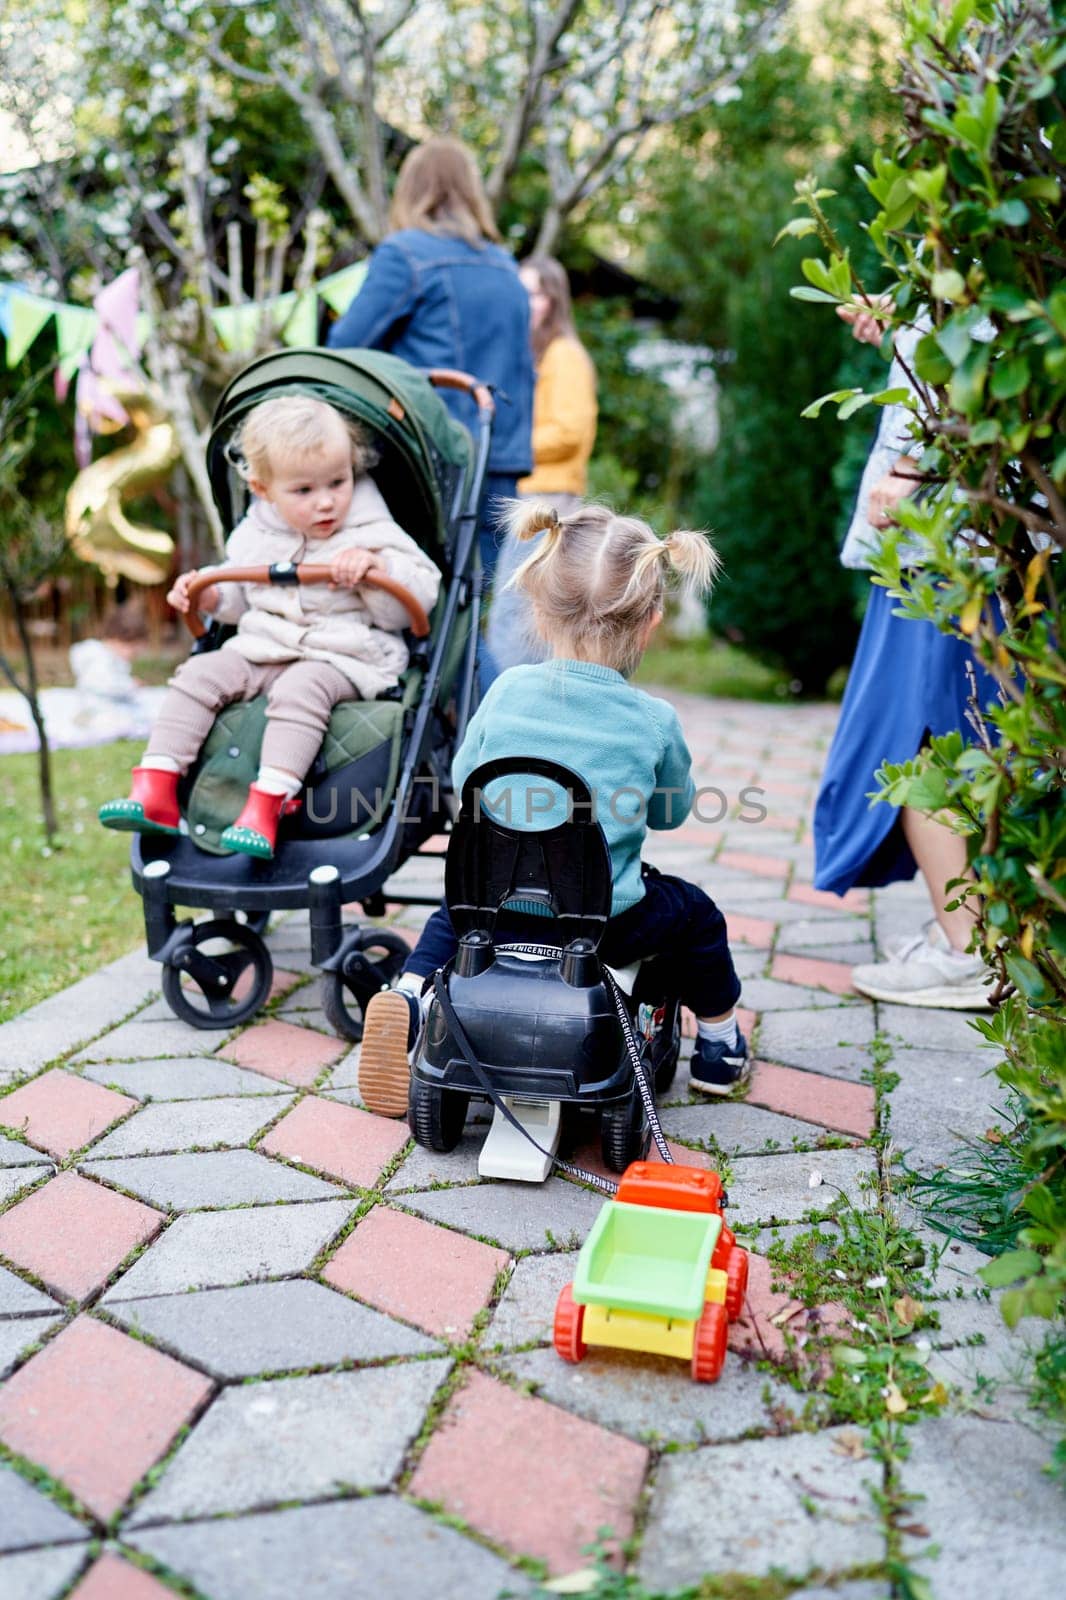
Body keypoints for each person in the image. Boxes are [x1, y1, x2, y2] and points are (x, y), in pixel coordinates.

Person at [356, 498, 748, 1119]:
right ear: (651, 621)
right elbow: (671, 813)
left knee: (449, 916)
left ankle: (408, 997)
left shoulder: (507, 689)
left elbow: (468, 781)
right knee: (696, 918)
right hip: (601, 927)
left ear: (537, 608)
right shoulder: (653, 720)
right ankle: (721, 1047)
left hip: (494, 916)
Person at [98, 396, 441, 858]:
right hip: (264, 647)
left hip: (343, 655)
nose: (326, 501)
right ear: (263, 489)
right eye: (303, 491)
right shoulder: (256, 533)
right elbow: (239, 598)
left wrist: (374, 570)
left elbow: (412, 604)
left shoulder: (371, 529)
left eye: (338, 483)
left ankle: (268, 804)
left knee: (301, 688)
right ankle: (157, 784)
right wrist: (209, 595)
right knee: (200, 674)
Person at [813, 304, 998, 1009]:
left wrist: (916, 466)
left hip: (943, 543)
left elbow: (974, 340)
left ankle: (967, 953)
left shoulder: (972, 217)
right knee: (975, 732)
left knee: (929, 745)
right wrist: (904, 311)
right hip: (975, 539)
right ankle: (982, 930)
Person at [326, 136, 533, 585]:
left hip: (431, 460)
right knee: (466, 607)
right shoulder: (506, 267)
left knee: (422, 606)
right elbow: (522, 371)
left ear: (411, 190)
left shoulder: (404, 256)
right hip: (501, 464)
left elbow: (342, 351)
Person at [487, 255, 598, 670]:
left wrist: (508, 448)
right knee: (518, 611)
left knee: (518, 614)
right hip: (528, 495)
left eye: (534, 294)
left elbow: (569, 432)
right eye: (522, 294)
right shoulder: (533, 356)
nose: (526, 304)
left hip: (547, 498)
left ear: (554, 300)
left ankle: (508, 713)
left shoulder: (564, 355)